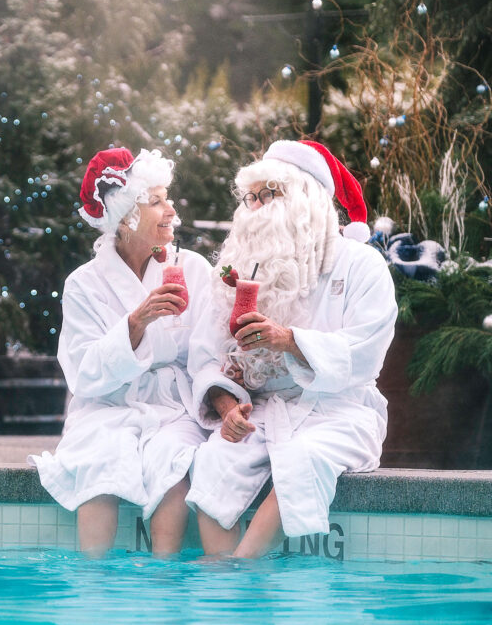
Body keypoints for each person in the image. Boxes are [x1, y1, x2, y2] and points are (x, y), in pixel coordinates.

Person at [185, 140, 397, 559]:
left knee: (303, 458)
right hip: (262, 411)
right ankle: (222, 590)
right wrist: (228, 407)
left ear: (305, 200)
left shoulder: (361, 265)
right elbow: (206, 356)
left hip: (339, 412)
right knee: (214, 461)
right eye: (252, 197)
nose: (259, 207)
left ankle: (241, 573)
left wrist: (287, 340)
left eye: (271, 194)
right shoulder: (236, 271)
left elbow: (367, 351)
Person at [28, 147, 212, 558]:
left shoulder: (193, 269)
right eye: (157, 201)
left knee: (173, 461)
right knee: (100, 460)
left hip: (173, 404)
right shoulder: (84, 284)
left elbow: (208, 350)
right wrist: (135, 323)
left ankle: (164, 581)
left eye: (169, 198)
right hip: (106, 404)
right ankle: (94, 587)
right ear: (127, 216)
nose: (171, 210)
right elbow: (84, 373)